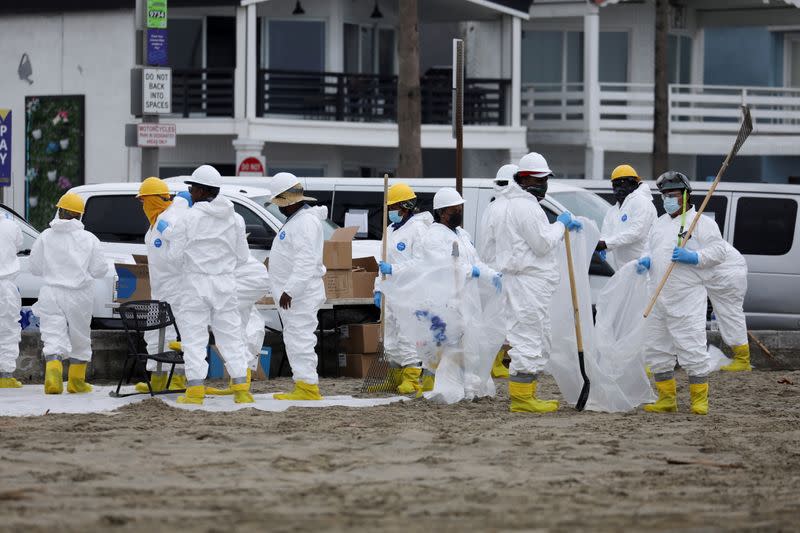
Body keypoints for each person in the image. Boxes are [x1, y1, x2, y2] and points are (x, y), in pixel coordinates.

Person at [381, 187, 503, 397]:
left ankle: (469, 386)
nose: (459, 211)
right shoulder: (433, 237)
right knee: (446, 346)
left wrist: (491, 274)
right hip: (446, 300)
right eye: (455, 208)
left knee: (470, 345)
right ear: (443, 212)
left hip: (466, 299)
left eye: (460, 207)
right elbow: (442, 265)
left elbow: (475, 260)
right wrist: (469, 271)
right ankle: (441, 386)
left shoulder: (462, 234)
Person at [494, 152, 583, 413]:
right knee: (528, 339)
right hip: (526, 283)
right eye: (541, 179)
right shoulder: (525, 206)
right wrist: (560, 225)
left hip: (528, 282)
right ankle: (522, 400)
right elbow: (543, 244)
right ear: (526, 180)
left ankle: (527, 394)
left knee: (535, 337)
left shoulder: (518, 204)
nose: (544, 184)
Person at [636, 171, 727, 415]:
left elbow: (719, 252)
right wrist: (646, 259)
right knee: (656, 349)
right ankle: (666, 399)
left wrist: (694, 256)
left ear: (686, 196)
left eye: (673, 195)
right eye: (665, 195)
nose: (668, 199)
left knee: (692, 348)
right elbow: (649, 247)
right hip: (657, 296)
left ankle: (699, 400)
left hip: (686, 298)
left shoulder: (702, 223)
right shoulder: (659, 223)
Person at [166, 165, 253, 405]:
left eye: (193, 188)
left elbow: (173, 257)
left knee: (194, 338)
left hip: (195, 283)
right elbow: (243, 257)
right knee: (231, 336)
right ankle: (241, 390)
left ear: (203, 190)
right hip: (225, 282)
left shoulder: (188, 218)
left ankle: (194, 392)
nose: (190, 193)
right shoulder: (236, 218)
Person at [29, 193, 109, 394]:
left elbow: (35, 267)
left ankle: (53, 378)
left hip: (50, 292)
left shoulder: (45, 236)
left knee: (52, 335)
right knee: (80, 336)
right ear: (80, 215)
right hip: (79, 294)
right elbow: (100, 270)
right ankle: (76, 382)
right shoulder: (89, 239)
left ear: (59, 211)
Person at [267, 172, 327, 400]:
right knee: (295, 339)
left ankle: (307, 388)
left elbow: (305, 261)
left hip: (299, 294)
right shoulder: (298, 221)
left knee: (300, 339)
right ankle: (303, 385)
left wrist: (290, 290)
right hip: (296, 293)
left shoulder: (304, 223)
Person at [372, 183, 433, 394]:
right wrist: (378, 288)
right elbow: (382, 262)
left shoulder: (419, 229)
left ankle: (412, 377)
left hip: (410, 293)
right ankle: (395, 377)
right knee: (390, 338)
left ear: (405, 206)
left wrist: (394, 269)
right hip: (391, 292)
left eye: (393, 206)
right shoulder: (390, 230)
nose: (390, 211)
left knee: (408, 336)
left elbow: (421, 263)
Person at [133, 178, 191, 393]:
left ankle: (178, 378)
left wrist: (169, 233)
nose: (143, 206)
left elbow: (181, 256)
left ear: (154, 200)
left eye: (144, 201)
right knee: (155, 334)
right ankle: (157, 379)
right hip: (160, 289)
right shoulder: (156, 223)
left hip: (178, 288)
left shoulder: (171, 220)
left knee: (178, 334)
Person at [476, 163, 518, 379]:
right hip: (501, 271)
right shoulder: (505, 208)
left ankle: (497, 361)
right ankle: (494, 362)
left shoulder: (493, 206)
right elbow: (506, 243)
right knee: (500, 320)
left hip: (493, 270)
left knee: (497, 318)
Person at [206, 255, 270, 395]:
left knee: (227, 326)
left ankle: (240, 384)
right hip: (248, 278)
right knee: (237, 326)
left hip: (247, 279)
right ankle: (238, 384)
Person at [597, 164, 657, 271]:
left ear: (634, 184)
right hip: (623, 269)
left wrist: (606, 244)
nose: (618, 189)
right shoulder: (613, 211)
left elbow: (637, 232)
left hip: (643, 266)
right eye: (615, 185)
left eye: (623, 184)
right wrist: (602, 245)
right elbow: (606, 234)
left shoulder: (641, 202)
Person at [707, 242, 751, 372]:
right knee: (731, 314)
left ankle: (743, 359)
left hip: (726, 273)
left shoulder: (694, 229)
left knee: (730, 314)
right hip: (726, 269)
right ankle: (742, 358)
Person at [0, 212, 24, 388]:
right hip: (5, 285)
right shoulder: (10, 225)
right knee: (8, 330)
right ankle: (5, 377)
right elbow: (18, 246)